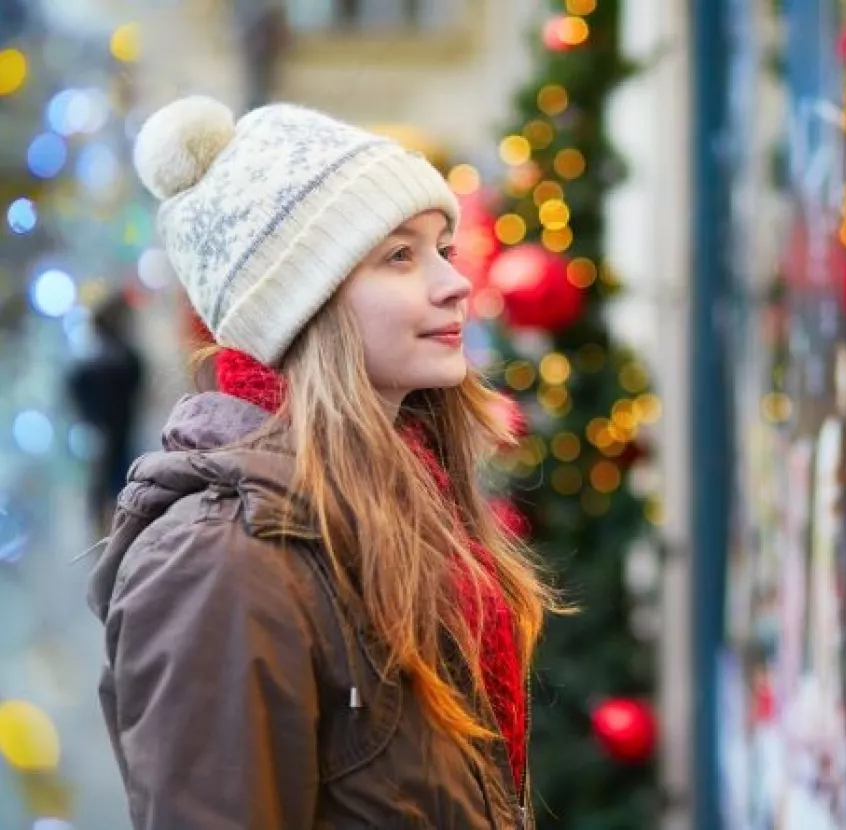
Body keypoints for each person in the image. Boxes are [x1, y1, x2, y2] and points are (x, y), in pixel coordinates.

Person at [86, 96, 554, 829]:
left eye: (442, 248)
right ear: (300, 306)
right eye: (399, 255)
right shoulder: (223, 560)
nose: (453, 282)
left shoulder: (405, 502)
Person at [66, 291, 146, 537]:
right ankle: (114, 528)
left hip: (105, 429)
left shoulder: (95, 359)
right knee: (114, 478)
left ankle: (108, 529)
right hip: (112, 429)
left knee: (105, 479)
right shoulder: (121, 359)